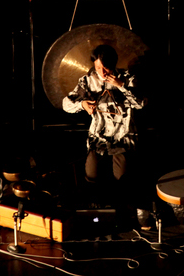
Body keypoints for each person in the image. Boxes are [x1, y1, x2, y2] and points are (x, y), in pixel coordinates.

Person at [62, 44, 146, 206]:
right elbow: (66, 104)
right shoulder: (88, 81)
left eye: (105, 68)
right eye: (98, 68)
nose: (102, 72)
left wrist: (121, 86)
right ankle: (95, 206)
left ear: (113, 64)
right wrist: (82, 105)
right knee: (91, 172)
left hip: (123, 136)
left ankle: (122, 207)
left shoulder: (128, 78)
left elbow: (140, 104)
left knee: (122, 177)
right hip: (99, 137)